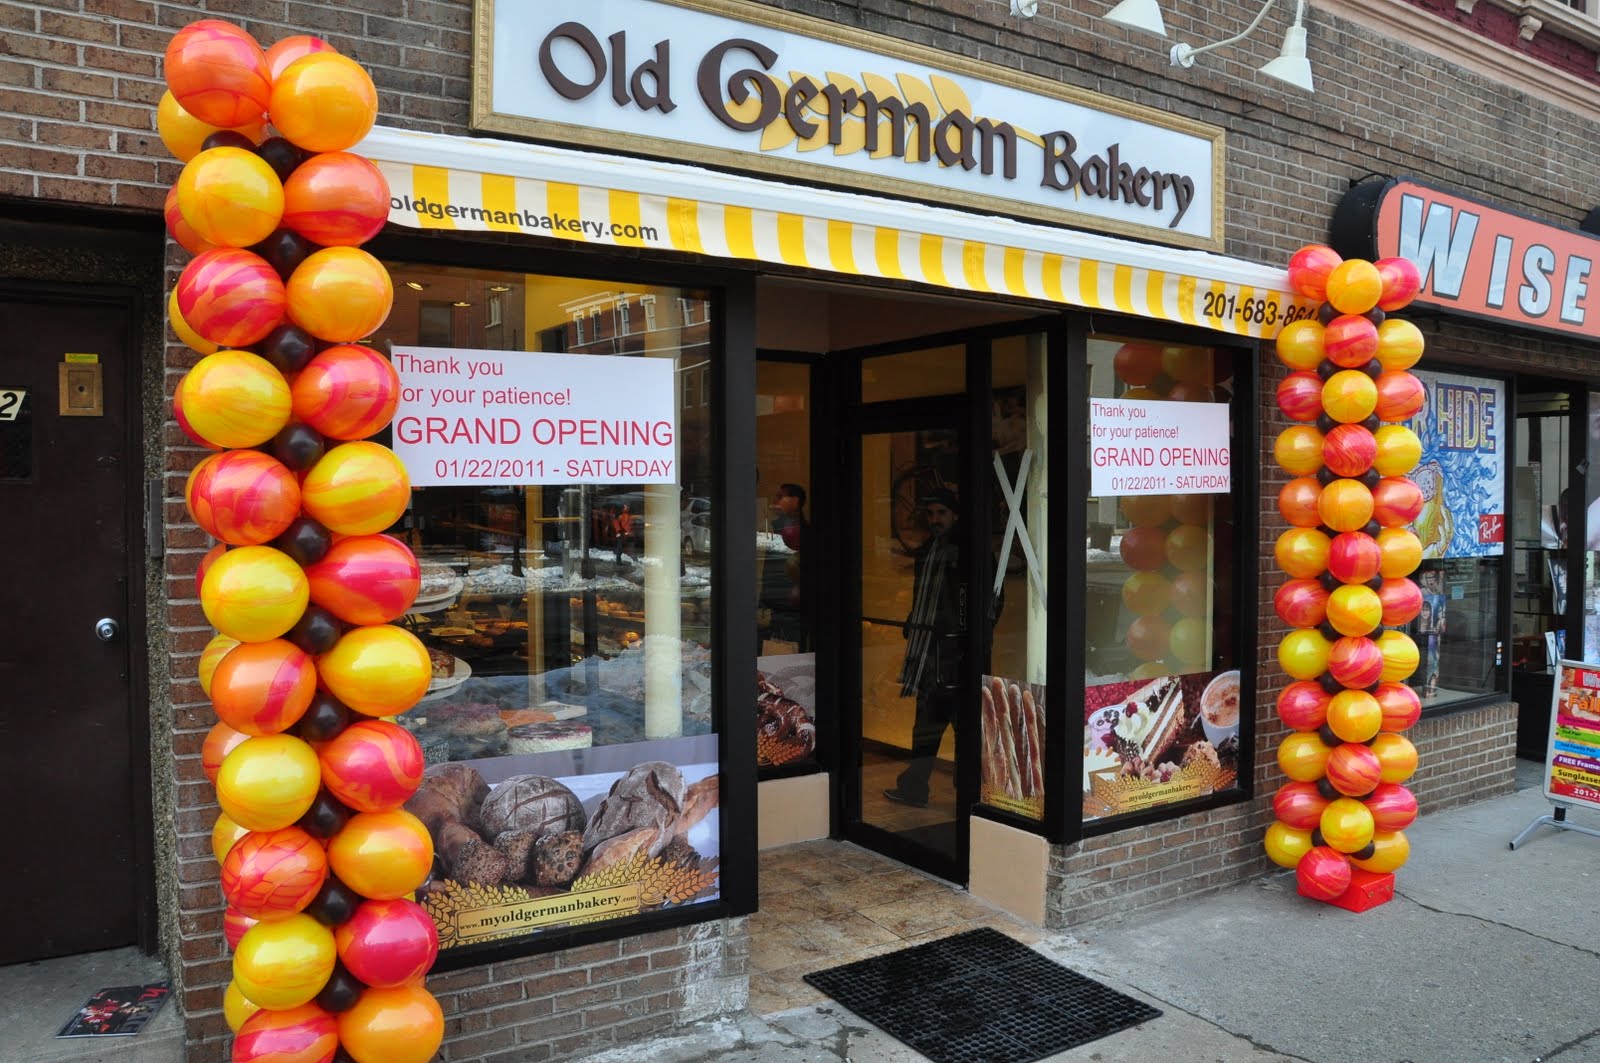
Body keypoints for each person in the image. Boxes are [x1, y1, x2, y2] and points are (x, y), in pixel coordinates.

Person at [884, 487, 967, 808]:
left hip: (953, 652)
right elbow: (926, 597)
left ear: (955, 515)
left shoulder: (963, 551)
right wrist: (914, 621)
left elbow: (982, 601)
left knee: (959, 727)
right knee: (927, 728)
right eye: (931, 514)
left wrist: (964, 633)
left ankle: (961, 792)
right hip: (929, 653)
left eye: (941, 514)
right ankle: (916, 787)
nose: (935, 520)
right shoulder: (930, 549)